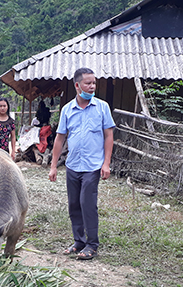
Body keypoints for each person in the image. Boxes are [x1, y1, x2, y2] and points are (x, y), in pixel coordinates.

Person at [48, 67, 115, 260]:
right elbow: (60, 139)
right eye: (88, 83)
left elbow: (108, 136)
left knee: (87, 203)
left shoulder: (102, 107)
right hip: (73, 165)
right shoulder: (68, 110)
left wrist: (106, 163)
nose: (92, 86)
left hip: (93, 166)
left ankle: (92, 244)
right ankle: (79, 241)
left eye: (94, 83)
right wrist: (53, 166)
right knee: (74, 204)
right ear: (77, 86)